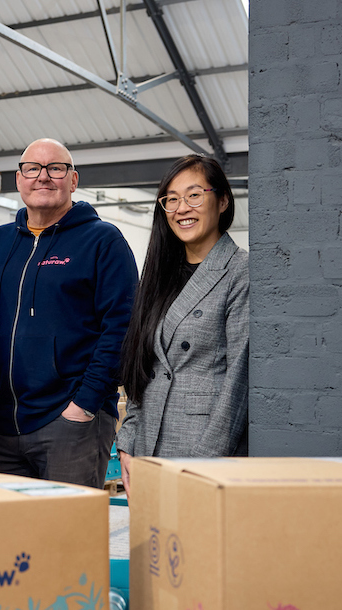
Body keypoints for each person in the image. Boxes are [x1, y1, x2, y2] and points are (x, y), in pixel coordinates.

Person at [0, 138, 138, 488]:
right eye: (32, 168)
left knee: (66, 537)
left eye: (55, 168)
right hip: (2, 422)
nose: (42, 177)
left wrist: (83, 406)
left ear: (73, 180)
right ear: (19, 180)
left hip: (70, 422)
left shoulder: (103, 241)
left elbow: (122, 329)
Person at [115, 154, 249, 497]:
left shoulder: (240, 271)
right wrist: (128, 441)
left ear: (222, 201)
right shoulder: (160, 275)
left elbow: (239, 380)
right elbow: (142, 366)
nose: (181, 208)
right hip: (148, 445)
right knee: (153, 548)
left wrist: (206, 465)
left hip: (202, 450)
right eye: (171, 199)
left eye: (193, 195)